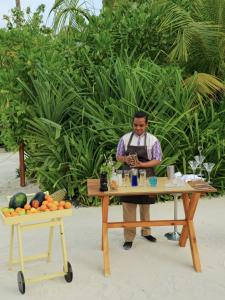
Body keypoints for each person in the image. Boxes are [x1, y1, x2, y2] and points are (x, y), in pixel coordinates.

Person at [116, 111, 162, 250]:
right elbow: (118, 156)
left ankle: (146, 232)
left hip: (146, 175)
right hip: (128, 176)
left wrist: (142, 165)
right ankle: (129, 238)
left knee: (145, 206)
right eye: (135, 125)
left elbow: (157, 159)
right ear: (132, 124)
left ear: (146, 124)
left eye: (141, 125)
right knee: (128, 207)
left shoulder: (153, 140)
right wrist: (125, 159)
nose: (138, 128)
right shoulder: (124, 138)